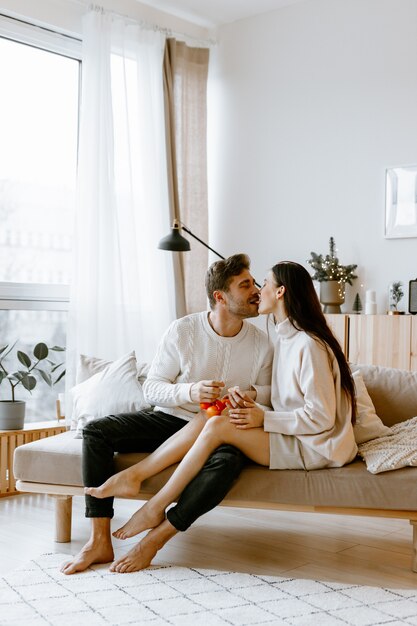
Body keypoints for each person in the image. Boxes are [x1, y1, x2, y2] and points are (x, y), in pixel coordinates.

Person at [104, 261, 358, 573]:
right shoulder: (285, 339)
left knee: (217, 424)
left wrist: (263, 419)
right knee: (215, 411)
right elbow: (285, 401)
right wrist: (251, 401)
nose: (257, 291)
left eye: (263, 283)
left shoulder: (307, 344)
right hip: (295, 434)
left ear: (280, 292)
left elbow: (320, 419)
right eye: (250, 285)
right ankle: (141, 485)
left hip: (314, 446)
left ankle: (155, 520)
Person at [61, 253, 273, 575]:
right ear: (220, 297)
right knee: (96, 431)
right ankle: (99, 540)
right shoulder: (184, 330)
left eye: (254, 283)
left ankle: (155, 539)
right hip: (171, 420)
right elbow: (153, 388)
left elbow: (270, 393)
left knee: (227, 463)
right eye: (245, 285)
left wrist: (251, 394)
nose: (256, 290)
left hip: (220, 431)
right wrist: (190, 391)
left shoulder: (261, 343)